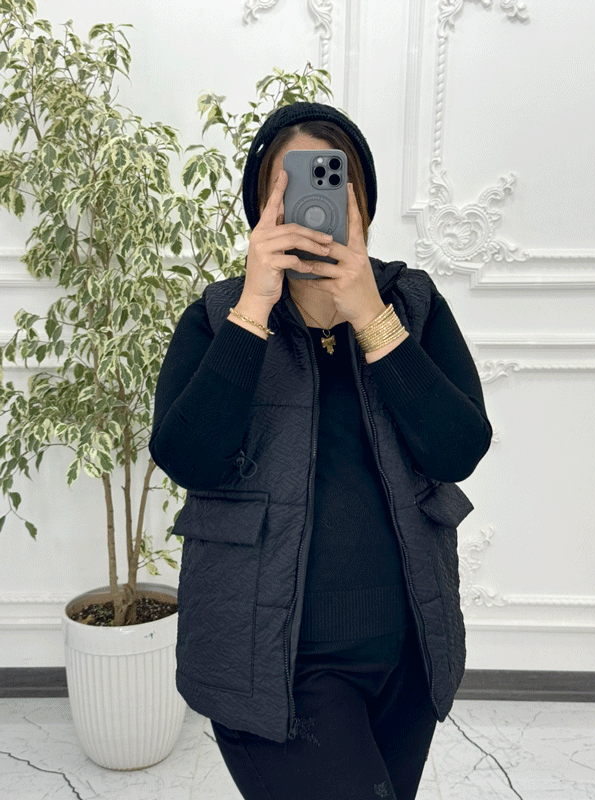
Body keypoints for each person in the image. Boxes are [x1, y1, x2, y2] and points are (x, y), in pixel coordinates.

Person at [150, 102, 492, 800]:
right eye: (289, 188)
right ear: (262, 206)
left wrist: (369, 314)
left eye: (330, 184)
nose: (310, 210)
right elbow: (188, 459)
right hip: (272, 664)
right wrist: (254, 307)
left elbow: (458, 450)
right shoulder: (218, 317)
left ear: (359, 202)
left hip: (406, 655)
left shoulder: (410, 304)